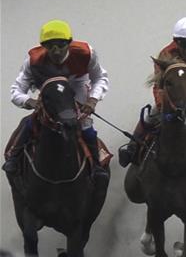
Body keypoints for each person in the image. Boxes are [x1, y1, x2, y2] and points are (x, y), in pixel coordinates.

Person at [4, 20, 110, 180]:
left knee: (83, 122)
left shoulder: (86, 52)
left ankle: (96, 166)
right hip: (50, 89)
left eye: (60, 45)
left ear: (69, 43)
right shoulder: (33, 60)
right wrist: (29, 101)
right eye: (50, 45)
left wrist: (93, 100)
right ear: (43, 46)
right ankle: (14, 157)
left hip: (77, 84)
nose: (56, 51)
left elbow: (100, 77)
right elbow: (16, 90)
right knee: (31, 121)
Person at [118, 17, 186, 176]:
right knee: (152, 114)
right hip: (176, 84)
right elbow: (159, 86)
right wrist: (161, 106)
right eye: (183, 45)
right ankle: (133, 146)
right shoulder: (166, 54)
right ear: (176, 42)